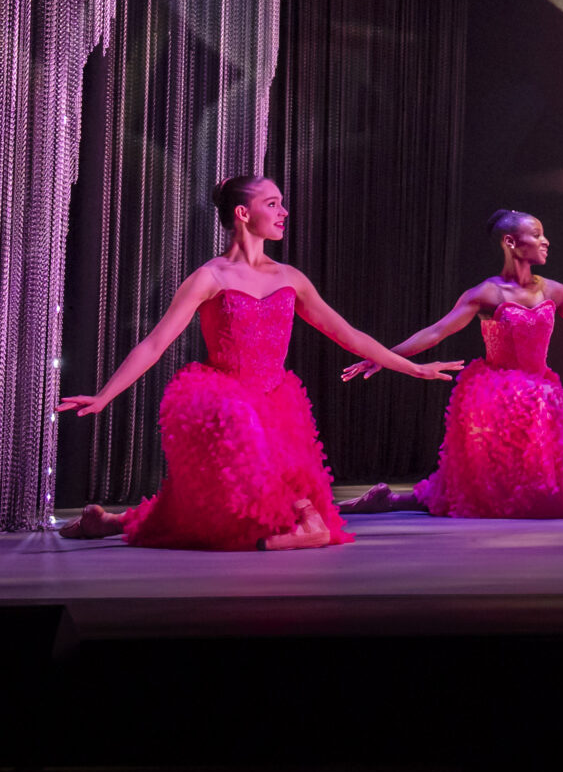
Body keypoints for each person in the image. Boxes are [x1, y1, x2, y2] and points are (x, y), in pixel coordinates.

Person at [54, 176, 460, 549]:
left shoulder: (291, 278)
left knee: (203, 514)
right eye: (273, 203)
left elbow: (349, 334)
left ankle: (105, 522)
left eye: (282, 204)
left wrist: (413, 368)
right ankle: (308, 519)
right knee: (247, 419)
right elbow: (155, 342)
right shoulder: (210, 278)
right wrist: (105, 395)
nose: (284, 212)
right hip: (223, 394)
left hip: (272, 392)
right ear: (243, 213)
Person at [341, 210, 563, 519]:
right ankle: (390, 500)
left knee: (546, 408)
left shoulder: (556, 291)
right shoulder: (486, 294)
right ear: (512, 242)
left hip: (539, 387)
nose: (546, 241)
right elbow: (435, 333)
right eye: (537, 235)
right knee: (486, 488)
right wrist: (385, 358)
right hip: (496, 391)